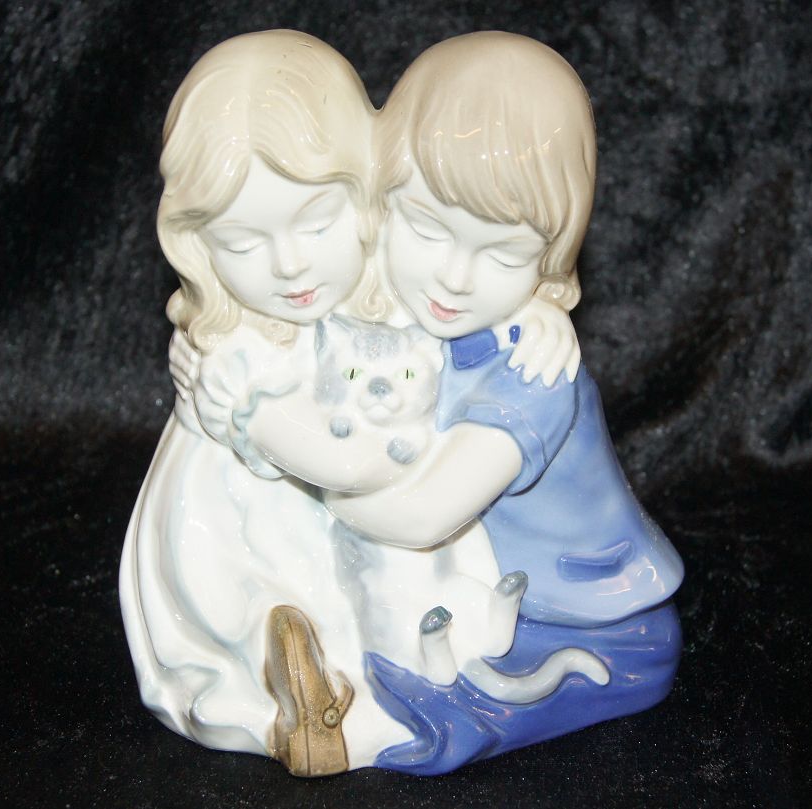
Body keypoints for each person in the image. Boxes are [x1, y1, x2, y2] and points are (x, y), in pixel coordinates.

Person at [322, 32, 687, 774]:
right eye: (427, 228)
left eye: (504, 253)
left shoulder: (533, 372)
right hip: (483, 596)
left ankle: (367, 731)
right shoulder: (431, 322)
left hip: (591, 624)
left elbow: (422, 514)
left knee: (459, 697)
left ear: (551, 260)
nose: (454, 278)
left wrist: (300, 465)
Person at [117, 30, 410, 774]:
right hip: (251, 506)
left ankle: (298, 673)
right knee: (212, 547)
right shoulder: (228, 338)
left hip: (364, 487)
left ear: (367, 193)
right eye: (244, 244)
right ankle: (277, 666)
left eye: (316, 223)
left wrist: (540, 307)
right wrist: (210, 392)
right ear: (197, 246)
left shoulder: (400, 305)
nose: (289, 265)